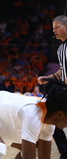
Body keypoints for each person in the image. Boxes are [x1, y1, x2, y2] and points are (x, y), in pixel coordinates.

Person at [37, 15, 67, 159]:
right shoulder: (61, 48)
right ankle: (65, 151)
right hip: (65, 90)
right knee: (49, 115)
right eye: (53, 28)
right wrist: (48, 78)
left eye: (57, 27)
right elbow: (62, 70)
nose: (54, 30)